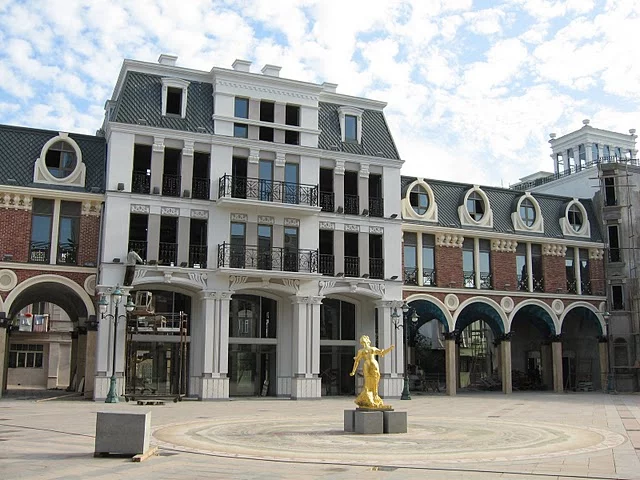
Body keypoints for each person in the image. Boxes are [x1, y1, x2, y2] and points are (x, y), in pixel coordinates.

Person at [350, 335, 394, 409]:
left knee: (376, 379)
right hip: (367, 364)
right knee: (367, 380)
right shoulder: (361, 351)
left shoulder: (373, 349)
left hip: (374, 364)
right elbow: (357, 361)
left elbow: (382, 353)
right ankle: (368, 396)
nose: (364, 343)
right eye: (362, 342)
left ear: (368, 341)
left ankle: (375, 396)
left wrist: (390, 349)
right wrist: (353, 371)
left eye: (364, 340)